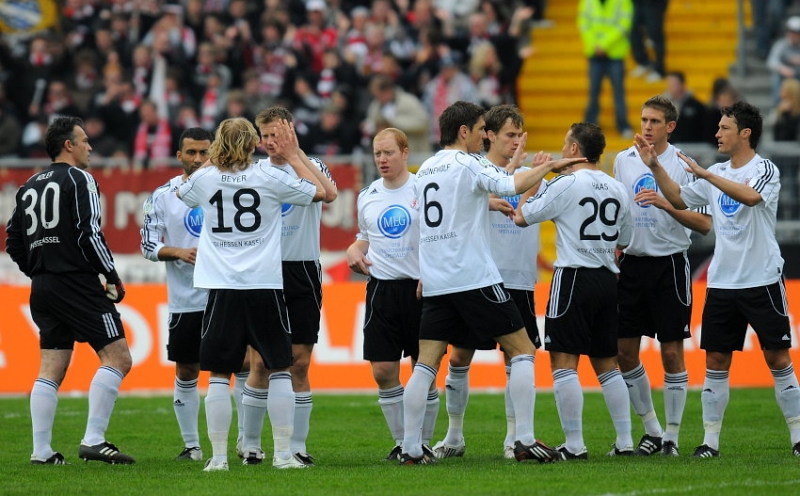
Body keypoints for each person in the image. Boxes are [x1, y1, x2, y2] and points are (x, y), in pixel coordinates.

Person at [399, 101, 583, 465]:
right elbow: (511, 183)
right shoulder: (469, 163)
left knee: (426, 365)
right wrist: (548, 166)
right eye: (481, 129)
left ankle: (410, 448)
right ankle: (523, 439)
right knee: (523, 350)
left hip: (437, 280)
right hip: (473, 276)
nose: (484, 136)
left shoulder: (426, 169)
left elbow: (440, 213)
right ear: (464, 131)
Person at [633, 101, 800, 458]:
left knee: (777, 358)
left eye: (725, 128)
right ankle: (710, 442)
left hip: (761, 279)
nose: (717, 134)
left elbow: (751, 197)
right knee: (716, 361)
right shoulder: (717, 171)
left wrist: (706, 176)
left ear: (745, 133)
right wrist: (655, 167)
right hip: (722, 283)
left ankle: (798, 437)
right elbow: (679, 198)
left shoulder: (764, 169)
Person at [177, 117, 325, 471]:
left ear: (217, 145)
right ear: (252, 144)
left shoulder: (206, 178)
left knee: (218, 374)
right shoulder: (268, 175)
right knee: (280, 367)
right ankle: (284, 454)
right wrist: (295, 157)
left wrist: (213, 162)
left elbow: (183, 192)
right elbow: (316, 192)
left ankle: (218, 458)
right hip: (264, 284)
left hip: (222, 287)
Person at [5, 116, 135, 465]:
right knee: (118, 358)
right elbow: (88, 232)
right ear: (68, 145)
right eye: (84, 140)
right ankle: (94, 440)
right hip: (76, 281)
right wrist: (111, 275)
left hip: (43, 286)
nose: (90, 147)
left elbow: (13, 240)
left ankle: (41, 451)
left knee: (51, 366)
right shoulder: (80, 179)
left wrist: (39, 269)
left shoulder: (28, 185)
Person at [430, 104, 546, 460]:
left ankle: (514, 438)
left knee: (517, 358)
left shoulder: (529, 175)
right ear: (489, 135)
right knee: (459, 357)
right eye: (509, 134)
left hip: (518, 278)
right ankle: (454, 436)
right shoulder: (471, 170)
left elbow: (528, 213)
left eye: (520, 135)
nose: (516, 141)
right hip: (477, 279)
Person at [514, 122, 634, 460]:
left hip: (573, 277)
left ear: (573, 150)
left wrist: (535, 178)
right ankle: (625, 442)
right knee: (607, 364)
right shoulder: (617, 187)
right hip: (607, 280)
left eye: (566, 143)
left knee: (564, 361)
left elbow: (522, 216)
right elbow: (625, 240)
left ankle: (575, 445)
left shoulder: (566, 183)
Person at [613, 96, 711, 457]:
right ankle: (652, 429)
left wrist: (666, 204)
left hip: (669, 265)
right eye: (644, 120)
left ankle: (671, 437)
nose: (647, 127)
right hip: (632, 265)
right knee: (623, 352)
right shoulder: (623, 160)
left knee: (671, 353)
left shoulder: (683, 164)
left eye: (655, 121)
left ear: (670, 126)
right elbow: (620, 213)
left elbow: (703, 224)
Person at [241, 106, 337, 467]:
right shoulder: (255, 171)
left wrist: (295, 156)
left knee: (299, 362)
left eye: (276, 134)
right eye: (265, 136)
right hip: (264, 272)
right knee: (260, 363)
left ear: (291, 132)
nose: (270, 142)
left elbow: (329, 194)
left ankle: (297, 445)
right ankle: (251, 444)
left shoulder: (313, 165)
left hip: (302, 270)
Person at [346, 127, 439, 461]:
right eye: (377, 154)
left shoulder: (423, 189)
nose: (382, 159)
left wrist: (432, 272)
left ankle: (422, 443)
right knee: (383, 371)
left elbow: (440, 235)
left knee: (424, 372)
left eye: (388, 153)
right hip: (381, 290)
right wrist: (353, 250)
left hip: (420, 288)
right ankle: (403, 443)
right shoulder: (368, 194)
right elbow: (364, 237)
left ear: (405, 152)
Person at [140, 127, 214, 462]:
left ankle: (247, 444)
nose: (198, 159)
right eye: (191, 152)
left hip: (226, 294)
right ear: (179, 155)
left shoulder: (227, 187)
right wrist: (177, 252)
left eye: (204, 152)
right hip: (186, 299)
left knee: (242, 364)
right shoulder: (162, 195)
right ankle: (192, 446)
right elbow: (147, 244)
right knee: (187, 369)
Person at [578, 0, 634, 137]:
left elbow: (624, 24)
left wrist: (603, 44)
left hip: (615, 54)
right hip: (595, 53)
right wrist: (595, 44)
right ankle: (589, 126)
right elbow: (583, 24)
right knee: (594, 92)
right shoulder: (587, 2)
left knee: (618, 92)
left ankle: (623, 125)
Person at [629, 0, 668, 82]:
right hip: (637, 3)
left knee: (655, 34)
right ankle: (643, 62)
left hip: (654, 4)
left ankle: (659, 70)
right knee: (633, 31)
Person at [664, 71, 707, 144]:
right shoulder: (663, 107)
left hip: (693, 145)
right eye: (669, 84)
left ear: (682, 85)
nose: (670, 87)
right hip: (672, 145)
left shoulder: (697, 106)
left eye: (673, 84)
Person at [767, 16, 800, 105]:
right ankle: (777, 106)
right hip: (784, 77)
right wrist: (783, 69)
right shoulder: (781, 45)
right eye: (791, 32)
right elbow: (772, 61)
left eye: (796, 33)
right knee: (777, 78)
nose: (793, 35)